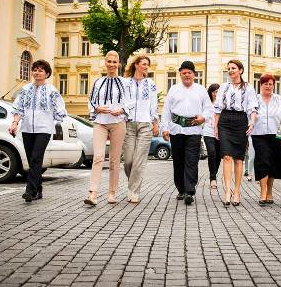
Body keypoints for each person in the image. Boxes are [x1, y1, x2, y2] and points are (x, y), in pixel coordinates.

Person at [10, 59, 67, 202]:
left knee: (36, 157)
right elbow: (18, 109)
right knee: (31, 160)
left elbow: (60, 110)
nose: (37, 72)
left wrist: (51, 121)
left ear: (47, 73)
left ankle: (30, 191)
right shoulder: (25, 89)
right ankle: (38, 189)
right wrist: (15, 123)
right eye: (35, 69)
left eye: (40, 70)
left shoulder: (51, 91)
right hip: (27, 128)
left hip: (44, 130)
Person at [161, 61, 213, 204]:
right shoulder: (173, 89)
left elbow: (209, 109)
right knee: (178, 161)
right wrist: (164, 128)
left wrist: (204, 117)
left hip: (194, 129)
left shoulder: (201, 90)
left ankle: (189, 191)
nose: (186, 75)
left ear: (194, 74)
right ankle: (181, 189)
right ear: (180, 74)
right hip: (176, 129)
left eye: (189, 72)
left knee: (191, 160)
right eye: (184, 73)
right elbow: (166, 110)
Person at [84, 50, 127, 206]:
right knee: (98, 157)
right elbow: (91, 101)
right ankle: (93, 193)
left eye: (114, 62)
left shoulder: (124, 82)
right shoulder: (98, 82)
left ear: (118, 64)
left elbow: (130, 103)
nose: (111, 65)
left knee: (114, 160)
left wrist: (121, 110)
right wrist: (97, 108)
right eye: (109, 61)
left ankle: (112, 193)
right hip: (100, 122)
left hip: (118, 123)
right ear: (105, 63)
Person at [214, 60, 258, 207]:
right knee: (226, 156)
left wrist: (252, 121)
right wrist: (215, 127)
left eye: (233, 68)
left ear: (240, 70)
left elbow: (252, 107)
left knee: (238, 159)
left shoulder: (248, 87)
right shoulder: (224, 87)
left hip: (240, 121)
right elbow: (218, 108)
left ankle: (237, 191)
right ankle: (227, 191)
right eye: (229, 69)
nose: (231, 71)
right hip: (225, 120)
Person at [123, 55, 159, 203]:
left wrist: (155, 122)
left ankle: (134, 191)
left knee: (139, 160)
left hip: (145, 124)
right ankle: (134, 182)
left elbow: (154, 104)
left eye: (147, 65)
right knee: (128, 160)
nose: (145, 67)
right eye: (143, 64)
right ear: (136, 65)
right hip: (129, 124)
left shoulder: (150, 84)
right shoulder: (125, 83)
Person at [251, 73, 281, 206]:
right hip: (258, 134)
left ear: (274, 85)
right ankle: (262, 192)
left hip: (275, 135)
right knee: (262, 161)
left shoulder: (279, 100)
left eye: (270, 84)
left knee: (273, 162)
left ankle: (270, 191)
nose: (268, 86)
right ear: (261, 85)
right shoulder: (255, 99)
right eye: (265, 83)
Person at [203, 83, 221, 189]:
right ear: (210, 93)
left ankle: (214, 175)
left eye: (218, 92)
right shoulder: (207, 104)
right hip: (208, 131)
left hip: (220, 132)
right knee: (212, 153)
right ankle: (212, 178)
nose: (216, 94)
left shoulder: (223, 104)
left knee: (218, 155)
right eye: (214, 92)